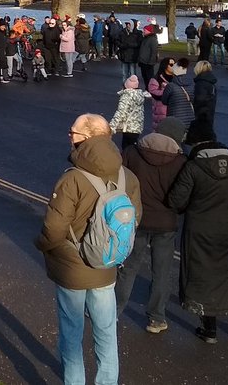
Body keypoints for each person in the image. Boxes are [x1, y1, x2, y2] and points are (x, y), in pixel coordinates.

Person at [36, 113, 141, 385]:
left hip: (73, 269)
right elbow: (135, 219)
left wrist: (44, 246)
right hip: (106, 265)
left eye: (73, 132)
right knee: (106, 333)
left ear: (87, 138)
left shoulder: (72, 179)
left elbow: (54, 229)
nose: (69, 137)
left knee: (71, 336)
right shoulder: (127, 176)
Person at [167, 138, 228, 343]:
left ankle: (209, 328)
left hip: (200, 230)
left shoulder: (193, 167)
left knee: (203, 275)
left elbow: (176, 200)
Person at [116, 117, 187, 335]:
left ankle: (114, 311)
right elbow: (182, 196)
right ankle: (156, 318)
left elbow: (121, 181)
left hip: (136, 219)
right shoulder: (181, 161)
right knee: (162, 272)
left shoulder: (133, 152)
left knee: (128, 268)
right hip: (166, 223)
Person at [109, 75, 150, 149]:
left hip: (128, 127)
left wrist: (112, 126)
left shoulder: (126, 96)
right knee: (133, 146)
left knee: (126, 147)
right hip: (137, 127)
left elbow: (120, 112)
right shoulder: (139, 94)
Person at [187, 61, 218, 144]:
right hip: (209, 111)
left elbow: (200, 99)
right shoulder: (210, 81)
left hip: (202, 113)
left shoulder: (201, 83)